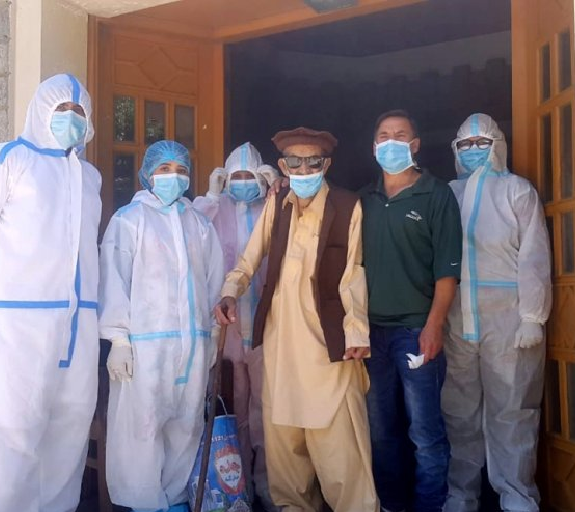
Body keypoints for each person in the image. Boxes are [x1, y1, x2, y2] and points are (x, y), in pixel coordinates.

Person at [0, 74, 101, 512]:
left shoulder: (88, 175)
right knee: (8, 434)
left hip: (79, 325)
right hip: (17, 323)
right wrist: (6, 295)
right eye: (62, 111)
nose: (71, 120)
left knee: (67, 434)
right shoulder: (8, 159)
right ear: (41, 111)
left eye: (79, 112)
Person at [215, 127, 379, 512]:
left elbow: (354, 272)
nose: (304, 169)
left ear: (327, 165)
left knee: (340, 447)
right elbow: (249, 259)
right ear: (282, 167)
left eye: (313, 162)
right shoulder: (279, 203)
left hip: (330, 345)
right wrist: (230, 291)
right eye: (295, 162)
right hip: (281, 341)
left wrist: (356, 331)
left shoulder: (347, 205)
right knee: (284, 443)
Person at [98, 140, 224, 512]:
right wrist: (118, 339)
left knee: (186, 427)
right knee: (143, 429)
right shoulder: (129, 220)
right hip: (145, 348)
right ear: (147, 174)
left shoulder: (199, 224)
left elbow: (213, 280)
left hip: (194, 345)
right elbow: (113, 280)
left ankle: (176, 500)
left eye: (181, 170)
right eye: (164, 169)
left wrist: (213, 333)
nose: (173, 176)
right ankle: (145, 503)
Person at [441, 113, 552, 512]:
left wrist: (532, 316)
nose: (473, 151)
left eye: (481, 143)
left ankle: (517, 494)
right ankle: (461, 493)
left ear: (497, 145)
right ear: (455, 150)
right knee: (459, 411)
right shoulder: (446, 194)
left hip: (508, 319)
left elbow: (534, 255)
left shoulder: (517, 191)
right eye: (465, 145)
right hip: (457, 319)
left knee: (512, 408)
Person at [360, 110, 462, 512]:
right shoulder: (363, 200)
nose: (390, 142)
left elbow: (447, 273)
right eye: (383, 135)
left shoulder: (437, 195)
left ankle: (430, 504)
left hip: (417, 330)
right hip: (371, 334)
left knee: (425, 431)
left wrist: (434, 326)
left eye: (400, 135)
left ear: (415, 145)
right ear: (373, 146)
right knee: (381, 430)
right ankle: (390, 503)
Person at [192, 142, 280, 510]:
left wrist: (279, 190)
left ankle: (267, 486)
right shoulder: (216, 209)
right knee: (234, 403)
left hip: (264, 322)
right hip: (226, 324)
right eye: (236, 176)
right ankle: (234, 482)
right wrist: (211, 195)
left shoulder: (270, 207)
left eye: (250, 176)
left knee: (266, 409)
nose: (243, 183)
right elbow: (193, 228)